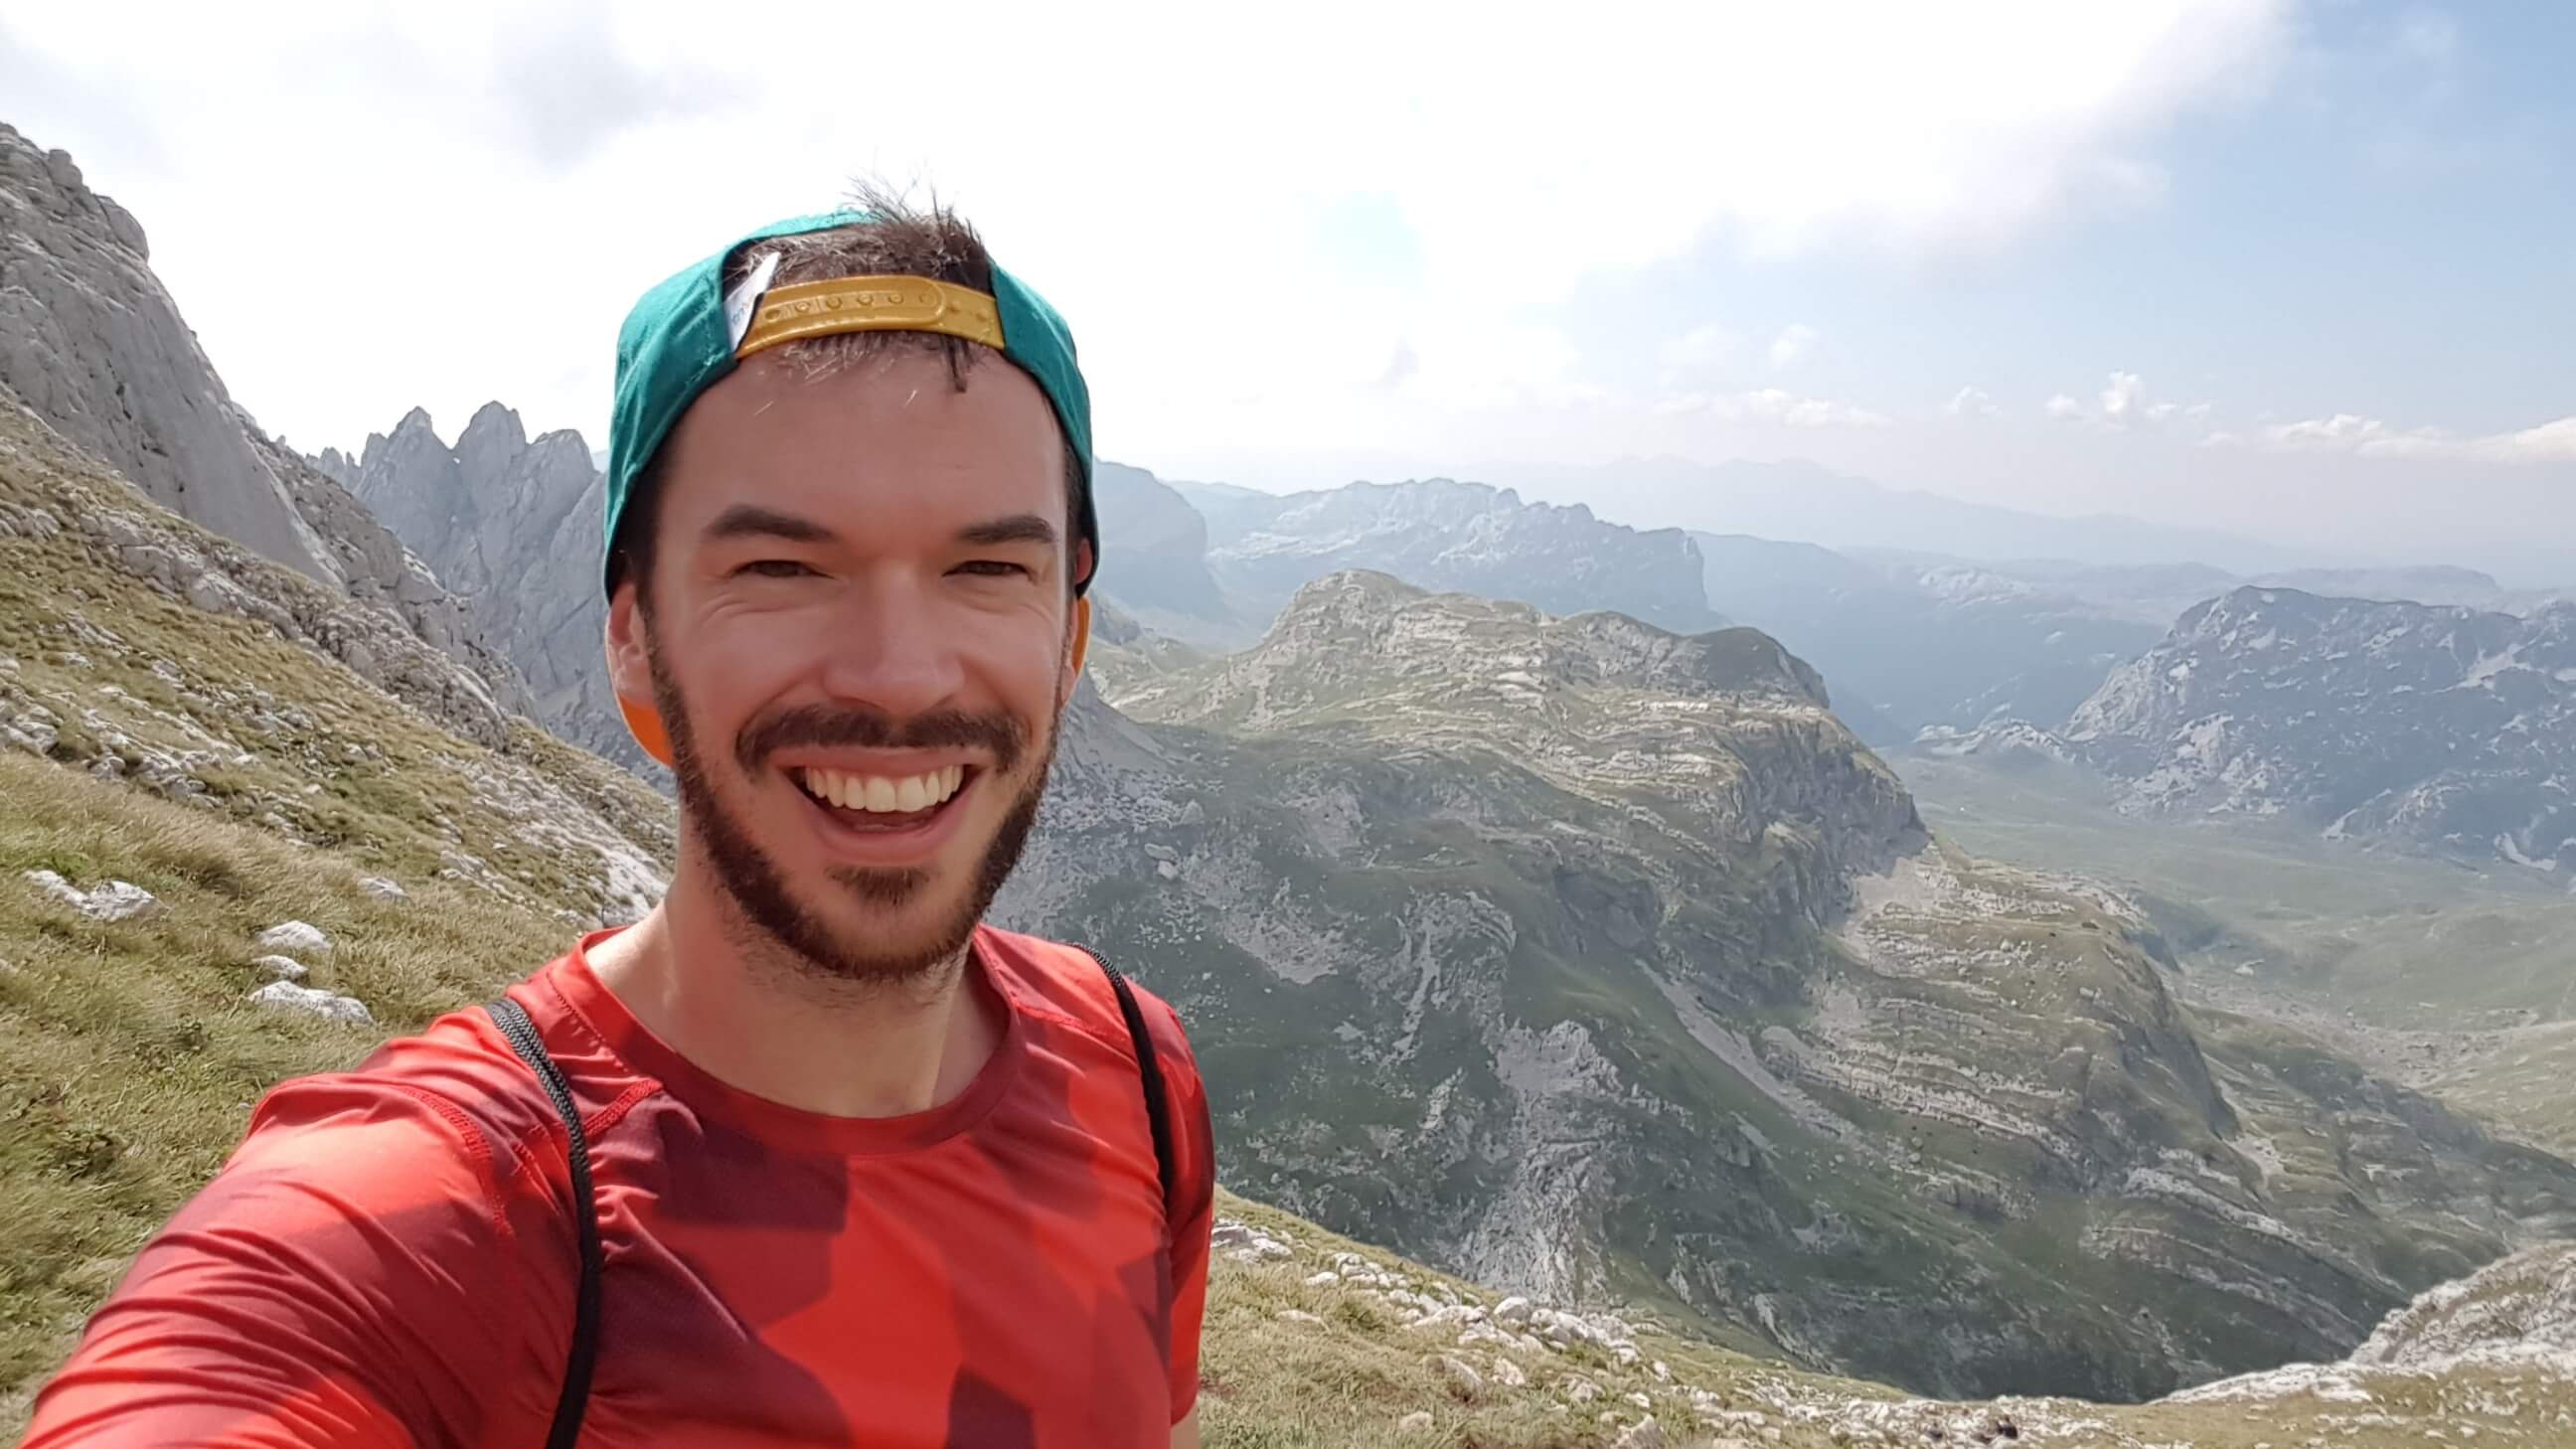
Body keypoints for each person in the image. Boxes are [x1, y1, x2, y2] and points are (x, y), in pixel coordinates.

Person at [25, 192, 1218, 1448]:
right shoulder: (451, 1216)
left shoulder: (1135, 1071)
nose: (901, 674)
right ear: (634, 641)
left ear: (1071, 638)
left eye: (989, 570)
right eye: (781, 569)